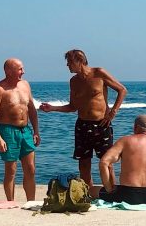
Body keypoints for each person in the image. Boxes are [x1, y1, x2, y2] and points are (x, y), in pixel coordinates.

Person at [40, 49, 127, 186]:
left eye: (69, 62)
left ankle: (111, 193)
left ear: (80, 61)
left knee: (107, 162)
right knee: (84, 164)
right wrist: (53, 108)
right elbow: (73, 107)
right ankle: (88, 194)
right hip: (82, 125)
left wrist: (113, 112)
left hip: (102, 124)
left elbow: (122, 90)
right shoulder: (73, 81)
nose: (67, 65)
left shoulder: (99, 73)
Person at [0, 58, 40, 201]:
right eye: (20, 69)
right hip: (8, 131)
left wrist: (36, 131)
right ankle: (10, 202)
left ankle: (31, 201)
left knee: (30, 169)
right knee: (11, 170)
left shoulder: (25, 85)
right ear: (8, 71)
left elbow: (32, 109)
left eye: (23, 68)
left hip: (26, 130)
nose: (23, 72)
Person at [98, 114, 146, 204]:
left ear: (135, 127)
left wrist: (109, 189)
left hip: (129, 195)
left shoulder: (125, 140)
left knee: (92, 190)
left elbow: (104, 162)